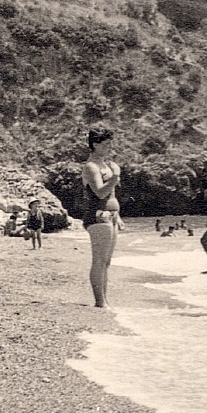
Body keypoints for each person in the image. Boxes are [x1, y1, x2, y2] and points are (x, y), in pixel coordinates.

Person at [81, 127, 122, 308]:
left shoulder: (107, 165)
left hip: (110, 216)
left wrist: (118, 215)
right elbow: (99, 192)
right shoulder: (91, 167)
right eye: (105, 144)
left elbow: (111, 195)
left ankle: (105, 300)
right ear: (95, 144)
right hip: (98, 215)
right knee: (99, 260)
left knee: (107, 261)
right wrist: (114, 178)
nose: (109, 147)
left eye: (110, 143)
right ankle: (99, 301)